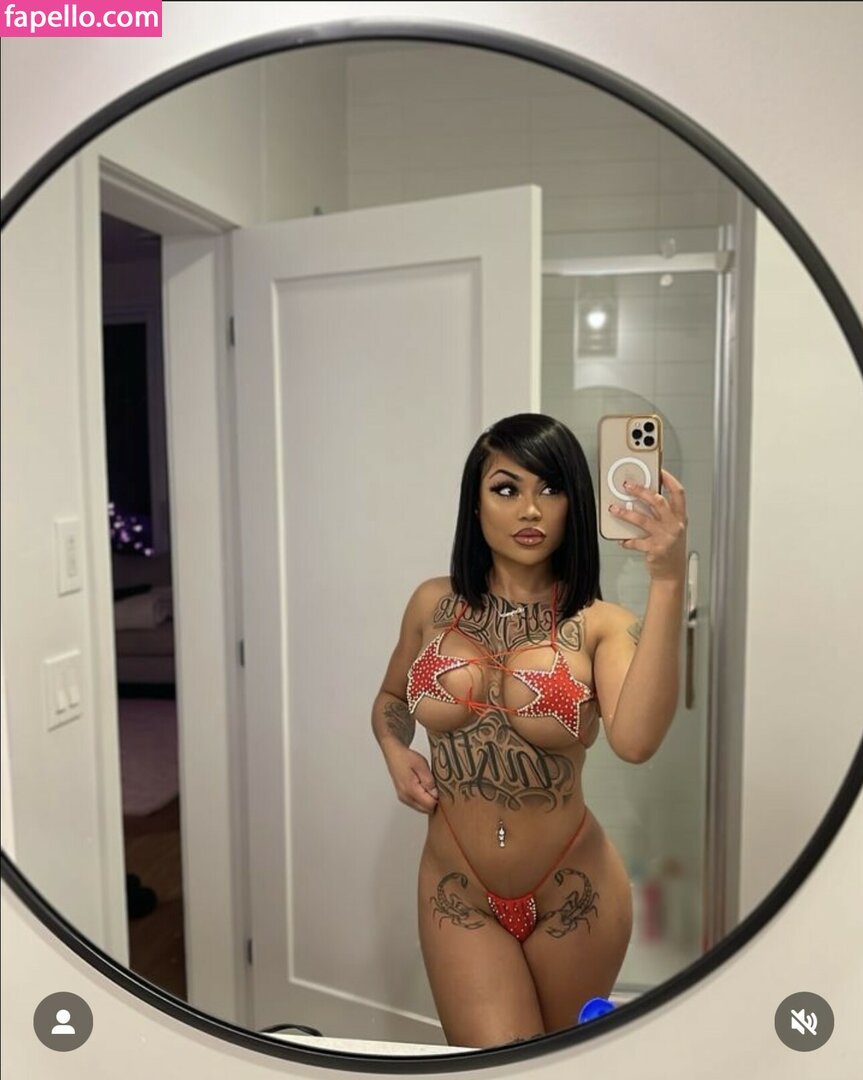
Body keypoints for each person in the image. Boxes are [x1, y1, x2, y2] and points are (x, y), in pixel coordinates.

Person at [371, 413, 687, 1048]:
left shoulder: (601, 624)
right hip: (457, 888)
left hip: (574, 893)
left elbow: (635, 741)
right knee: (494, 1066)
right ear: (476, 502)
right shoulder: (431, 604)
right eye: (506, 488)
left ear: (575, 503)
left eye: (551, 488)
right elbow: (391, 699)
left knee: (557, 1067)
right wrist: (392, 747)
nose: (531, 509)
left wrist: (668, 579)